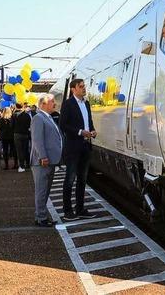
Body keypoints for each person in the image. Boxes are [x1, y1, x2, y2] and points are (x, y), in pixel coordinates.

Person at [59, 78, 97, 222]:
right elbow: (63, 125)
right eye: (80, 87)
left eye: (84, 86)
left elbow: (89, 122)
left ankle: (80, 209)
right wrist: (80, 132)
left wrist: (92, 130)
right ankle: (67, 211)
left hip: (86, 146)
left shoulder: (86, 103)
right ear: (73, 89)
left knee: (82, 179)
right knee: (70, 179)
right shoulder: (68, 104)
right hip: (73, 147)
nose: (83, 88)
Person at [30, 94, 62, 227]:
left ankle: (42, 216)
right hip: (42, 161)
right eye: (52, 102)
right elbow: (37, 140)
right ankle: (41, 218)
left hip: (49, 161)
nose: (54, 104)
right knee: (41, 191)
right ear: (43, 104)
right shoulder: (38, 118)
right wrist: (43, 156)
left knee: (45, 190)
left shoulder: (47, 117)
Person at [13, 103, 32, 172]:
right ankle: (28, 164)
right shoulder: (27, 115)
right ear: (23, 107)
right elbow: (30, 125)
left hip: (17, 134)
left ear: (16, 106)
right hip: (25, 134)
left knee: (19, 150)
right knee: (26, 149)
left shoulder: (14, 115)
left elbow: (12, 125)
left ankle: (21, 166)